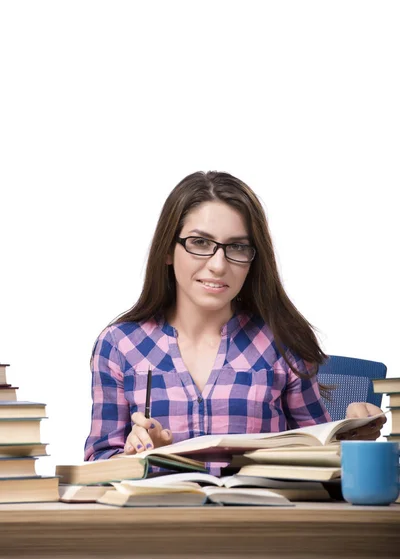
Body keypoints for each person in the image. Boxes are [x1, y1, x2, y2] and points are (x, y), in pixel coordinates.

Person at [84, 171, 386, 464]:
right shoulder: (119, 345)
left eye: (237, 247)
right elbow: (99, 462)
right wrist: (144, 457)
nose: (218, 265)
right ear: (167, 249)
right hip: (164, 512)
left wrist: (352, 440)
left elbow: (320, 453)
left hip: (259, 514)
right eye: (200, 243)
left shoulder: (282, 340)